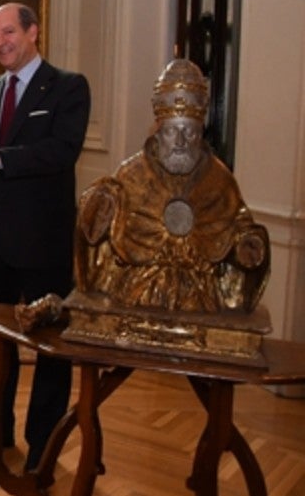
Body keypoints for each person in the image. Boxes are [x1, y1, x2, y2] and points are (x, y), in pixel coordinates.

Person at [0, 3, 90, 472]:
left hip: (43, 242)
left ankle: (42, 448)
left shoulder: (68, 87)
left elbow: (60, 152)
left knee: (50, 347)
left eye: (9, 32)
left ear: (33, 31)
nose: (1, 42)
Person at [74, 58, 268, 314]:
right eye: (171, 132)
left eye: (189, 132)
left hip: (202, 302)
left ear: (201, 132)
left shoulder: (220, 180)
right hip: (138, 296)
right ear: (158, 131)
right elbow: (94, 235)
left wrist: (248, 244)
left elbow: (239, 224)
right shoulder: (131, 175)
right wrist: (98, 212)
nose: (179, 142)